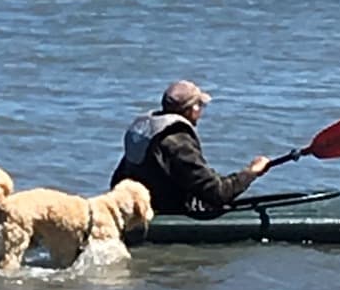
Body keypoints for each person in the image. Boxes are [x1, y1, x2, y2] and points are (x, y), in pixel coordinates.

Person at [110, 79, 271, 215]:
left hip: (143, 207)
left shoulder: (148, 131)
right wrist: (252, 172)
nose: (201, 111)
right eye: (200, 105)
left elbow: (117, 180)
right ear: (191, 109)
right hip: (169, 211)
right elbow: (218, 193)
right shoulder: (177, 141)